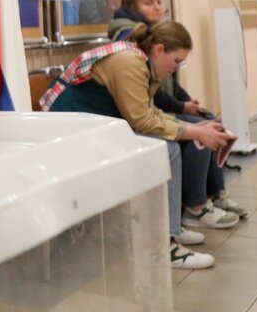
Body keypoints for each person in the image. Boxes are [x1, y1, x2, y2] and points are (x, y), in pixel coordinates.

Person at [40, 20, 237, 270]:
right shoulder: (130, 63)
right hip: (71, 127)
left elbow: (148, 113)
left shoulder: (141, 60)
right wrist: (195, 131)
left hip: (95, 121)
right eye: (176, 61)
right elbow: (141, 120)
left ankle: (170, 229)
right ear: (159, 50)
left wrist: (193, 127)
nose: (177, 68)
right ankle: (163, 243)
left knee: (170, 144)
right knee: (167, 150)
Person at [111, 0, 247, 223]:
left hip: (148, 110)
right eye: (148, 3)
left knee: (207, 122)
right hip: (120, 116)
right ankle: (194, 206)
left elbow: (164, 83)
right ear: (132, 7)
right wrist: (183, 110)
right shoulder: (129, 43)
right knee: (192, 136)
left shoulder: (154, 36)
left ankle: (214, 194)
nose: (157, 7)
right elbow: (146, 101)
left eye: (159, 2)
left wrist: (185, 102)